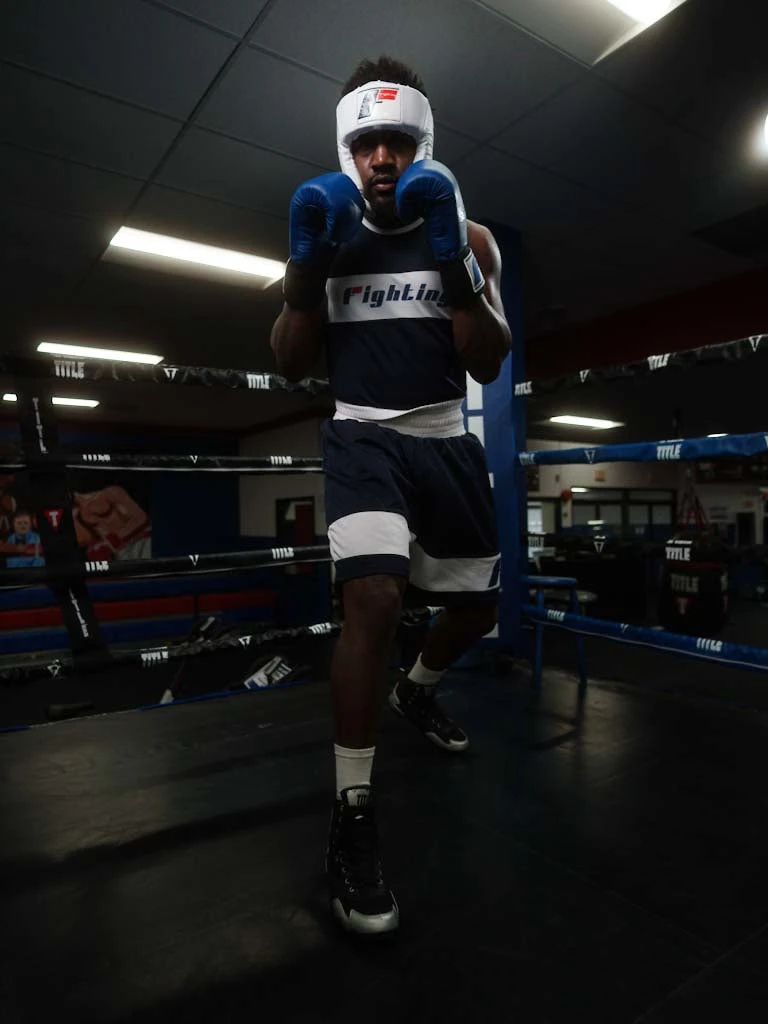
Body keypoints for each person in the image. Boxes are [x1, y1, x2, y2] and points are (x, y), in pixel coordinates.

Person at [270, 56, 512, 935]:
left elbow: (486, 360)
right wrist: (305, 272)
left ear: (422, 147)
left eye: (398, 141)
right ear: (348, 150)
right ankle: (353, 812)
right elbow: (290, 362)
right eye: (368, 142)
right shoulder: (327, 229)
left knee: (476, 610)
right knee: (373, 596)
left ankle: (419, 686)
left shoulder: (472, 236)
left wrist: (454, 266)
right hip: (361, 434)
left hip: (444, 436)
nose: (382, 157)